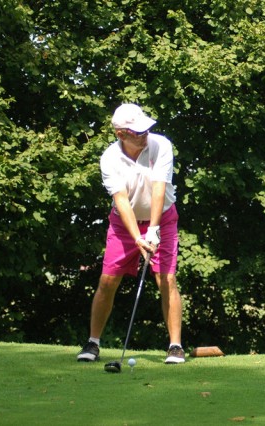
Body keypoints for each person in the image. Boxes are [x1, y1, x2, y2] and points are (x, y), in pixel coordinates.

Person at [77, 103, 185, 364]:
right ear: (121, 134)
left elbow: (159, 188)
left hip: (163, 219)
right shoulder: (109, 158)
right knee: (107, 280)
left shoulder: (161, 146)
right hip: (124, 225)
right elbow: (121, 200)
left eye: (146, 128)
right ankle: (93, 343)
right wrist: (138, 236)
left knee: (166, 280)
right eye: (138, 132)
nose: (145, 133)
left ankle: (175, 346)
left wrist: (154, 229)